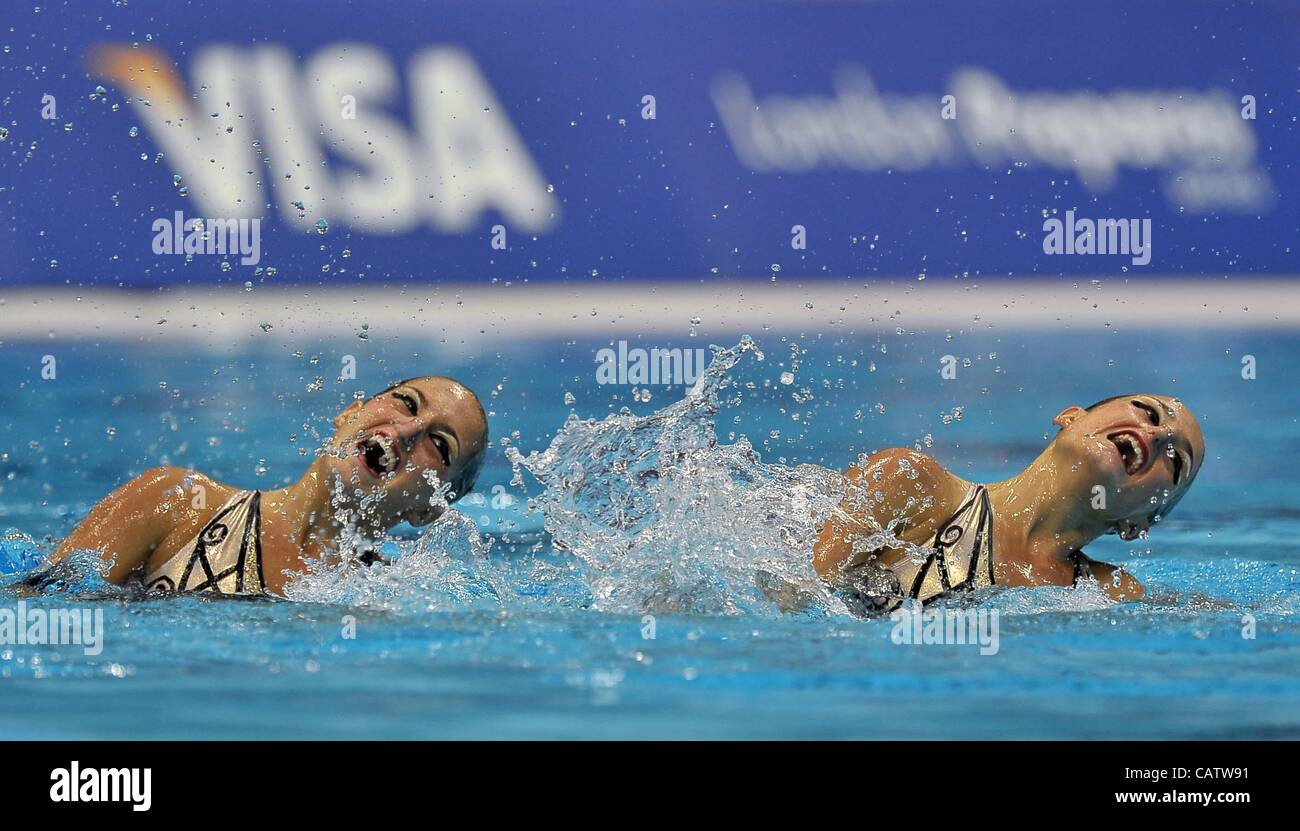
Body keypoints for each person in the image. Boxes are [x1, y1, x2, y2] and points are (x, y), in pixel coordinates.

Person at [32, 376, 488, 597]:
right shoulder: (176, 503)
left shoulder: (386, 598)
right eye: (407, 403)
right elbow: (35, 613)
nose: (410, 430)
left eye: (439, 445)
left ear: (429, 509)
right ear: (349, 414)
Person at [813, 394, 1203, 614]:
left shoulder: (1111, 594)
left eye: (1175, 460)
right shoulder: (909, 485)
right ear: (1069, 417)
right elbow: (790, 599)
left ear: (1139, 524)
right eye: (1149, 412)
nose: (1157, 434)